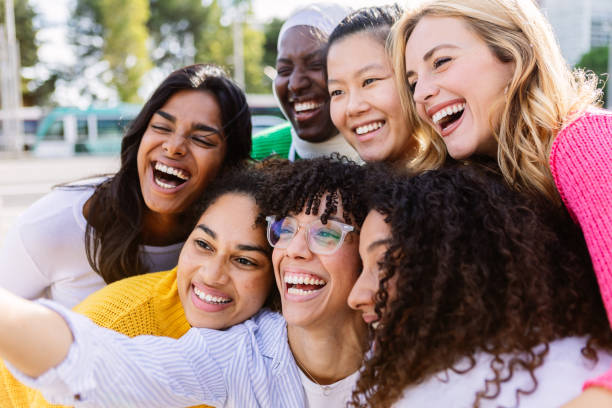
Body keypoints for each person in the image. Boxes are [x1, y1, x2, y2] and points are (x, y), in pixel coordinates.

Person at [0, 156, 369, 407]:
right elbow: (95, 363)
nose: (296, 250)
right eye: (285, 231)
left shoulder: (410, 351)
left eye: (326, 234)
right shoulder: (236, 354)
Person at [393, 0, 612, 400]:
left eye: (440, 62)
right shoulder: (478, 188)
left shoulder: (584, 142)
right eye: (412, 82)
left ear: (513, 56)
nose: (422, 92)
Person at [348, 163, 612, 407]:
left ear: (458, 266)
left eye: (383, 263)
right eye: (363, 267)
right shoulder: (581, 359)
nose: (356, 296)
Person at [0, 64, 252, 308]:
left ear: (229, 165)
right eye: (161, 127)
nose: (173, 146)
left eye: (201, 139)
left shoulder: (236, 242)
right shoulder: (53, 225)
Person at [251, 3, 361, 162]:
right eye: (284, 70)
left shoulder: (395, 157)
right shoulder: (254, 157)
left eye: (316, 65)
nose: (295, 84)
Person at [326, 5, 416, 164]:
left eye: (369, 81)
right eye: (337, 92)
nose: (352, 108)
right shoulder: (340, 185)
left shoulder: (464, 182)